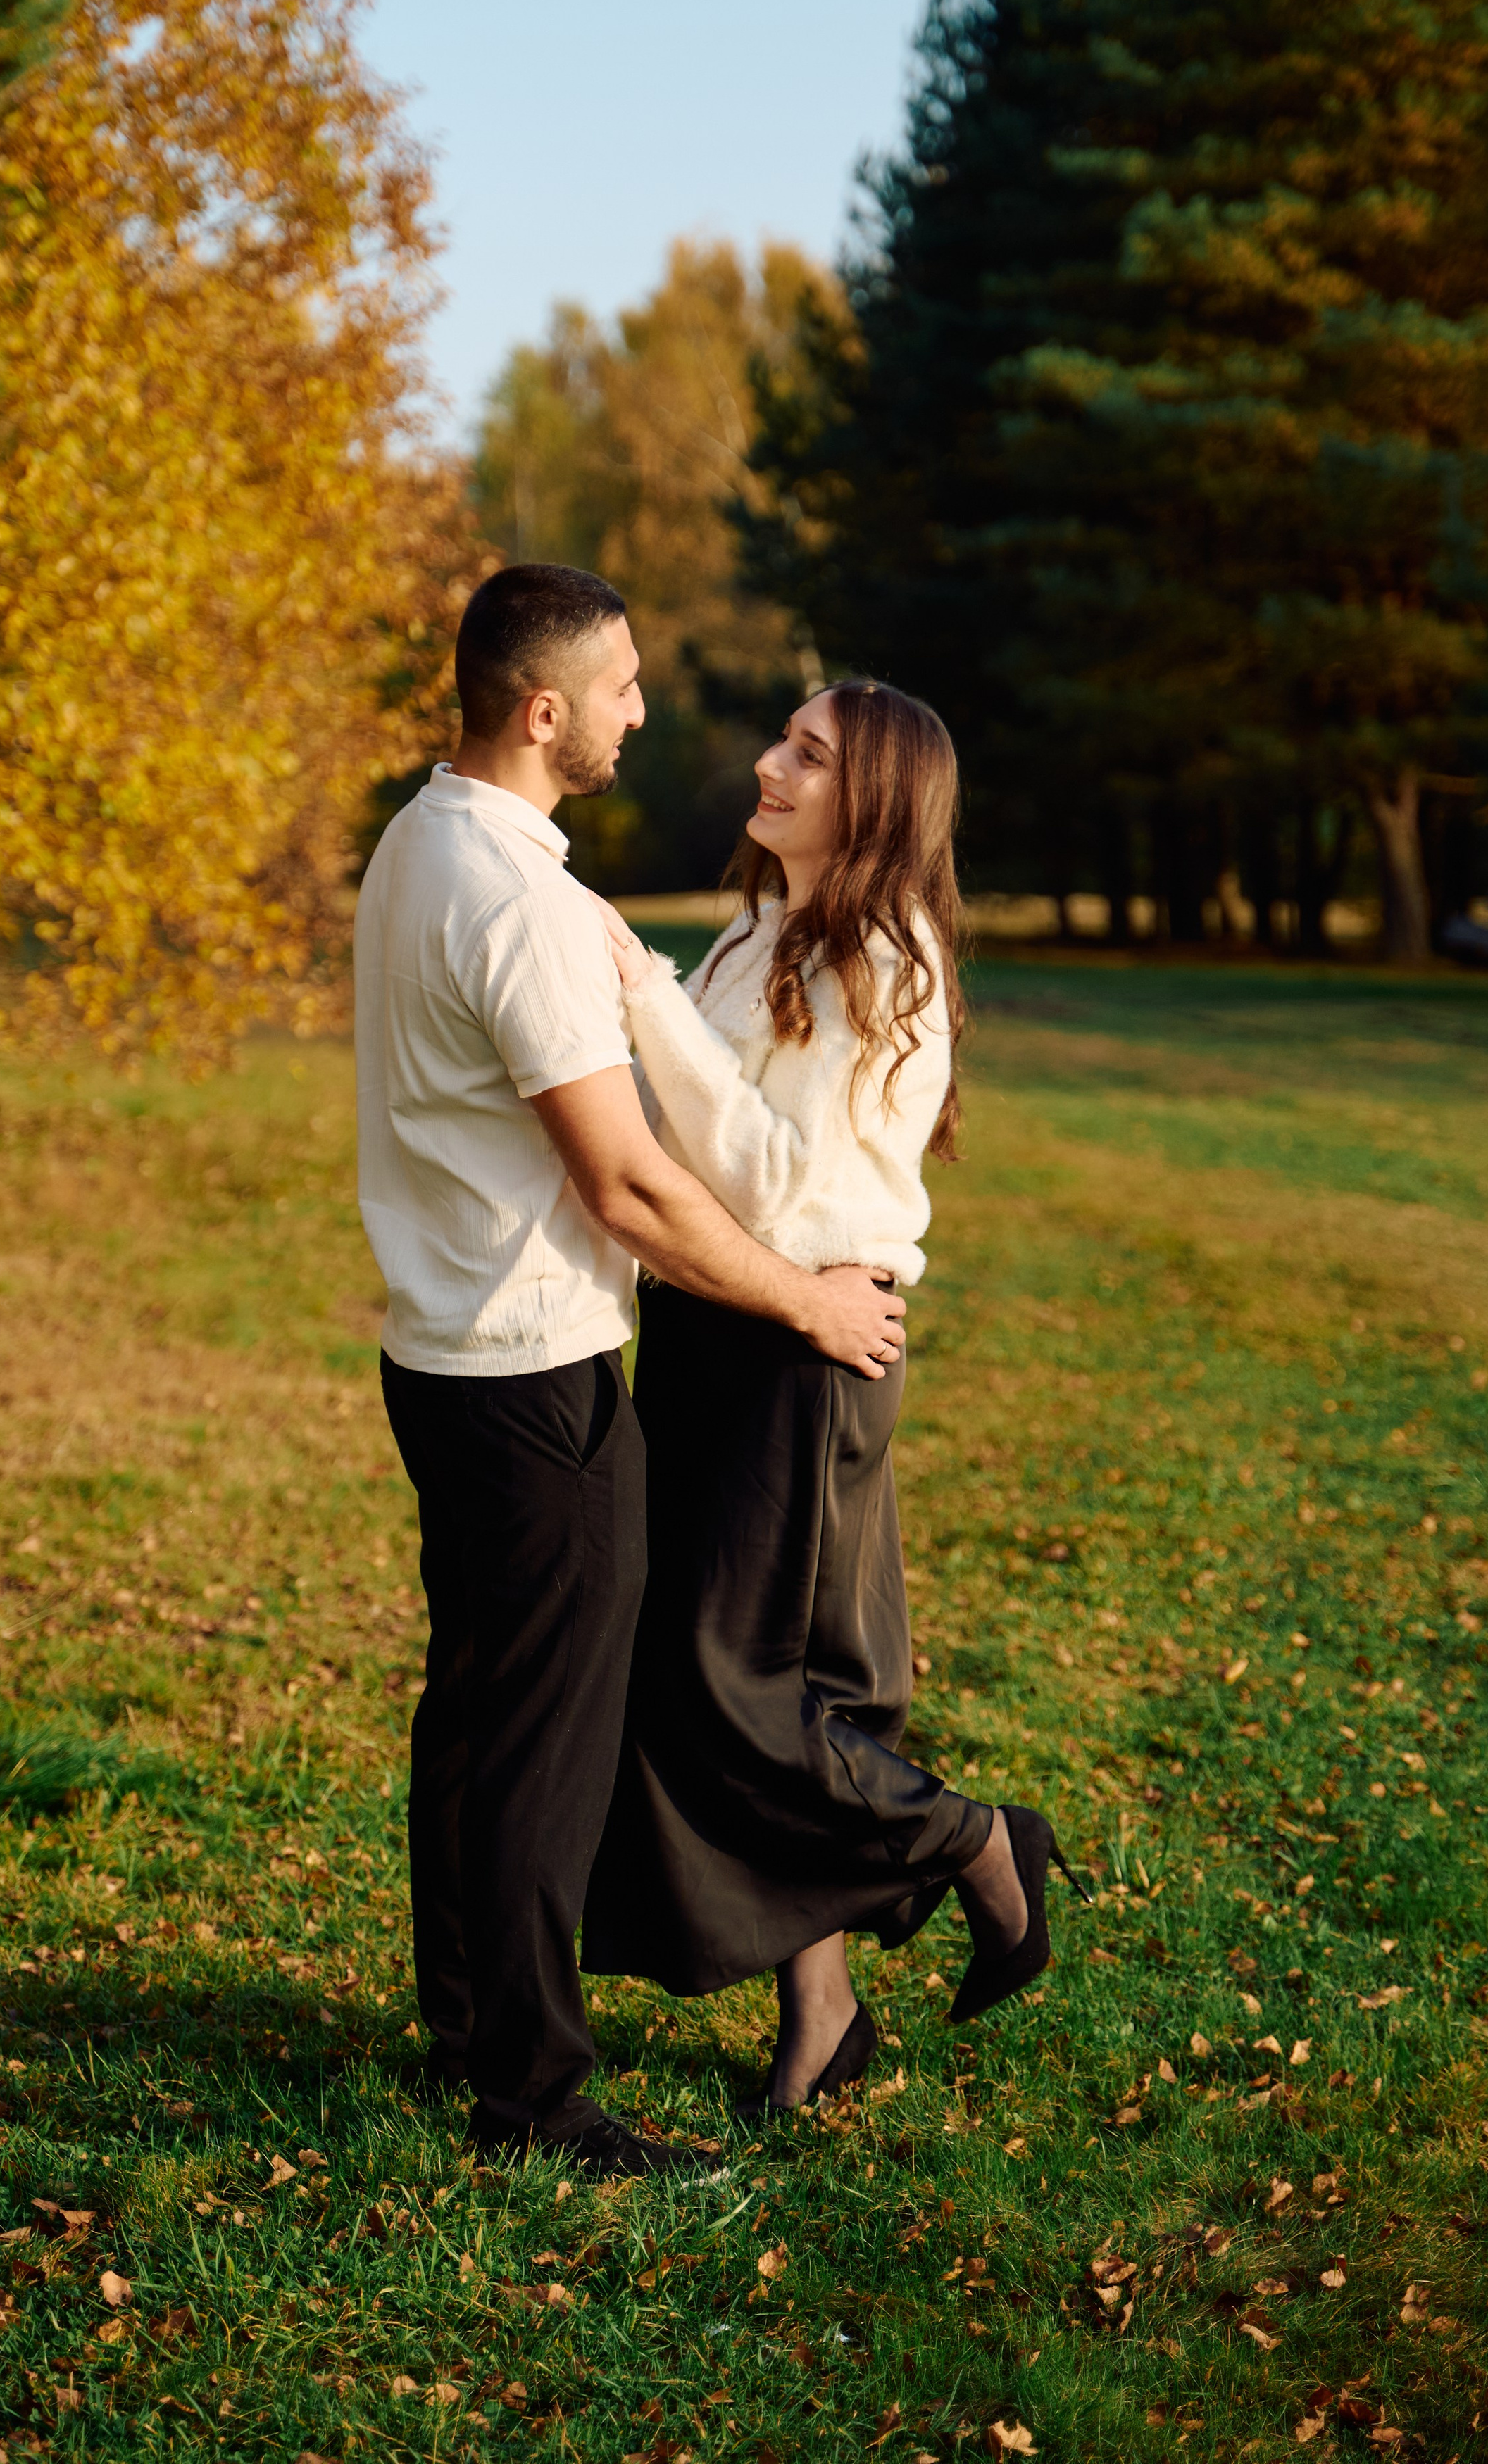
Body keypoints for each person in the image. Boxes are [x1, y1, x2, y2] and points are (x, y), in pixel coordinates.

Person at [354, 565, 906, 2177]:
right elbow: (629, 1186)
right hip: (531, 1372)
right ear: (544, 713)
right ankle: (530, 2097)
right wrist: (802, 1302)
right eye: (623, 687)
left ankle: (467, 2021)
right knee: (538, 1744)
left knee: (472, 1714)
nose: (644, 712)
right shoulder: (515, 901)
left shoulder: (422, 838)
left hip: (441, 1352)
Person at [582, 679, 1087, 2111]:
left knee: (727, 1685)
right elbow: (685, 1129)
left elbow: (761, 1176)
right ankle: (822, 2020)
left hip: (803, 1349)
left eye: (808, 754)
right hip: (712, 1327)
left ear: (871, 799)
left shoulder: (876, 950)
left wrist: (633, 990)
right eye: (781, 738)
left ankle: (975, 1843)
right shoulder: (760, 931)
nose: (768, 761)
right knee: (740, 1681)